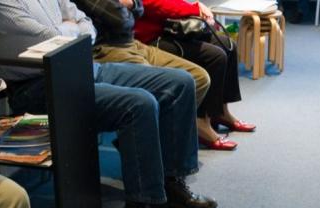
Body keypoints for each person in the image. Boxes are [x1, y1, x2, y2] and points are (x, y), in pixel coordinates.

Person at [0, 0, 219, 208]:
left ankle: (171, 181)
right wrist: (70, 28)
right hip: (37, 87)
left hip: (82, 67)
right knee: (139, 104)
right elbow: (49, 39)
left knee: (181, 83)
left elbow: (86, 26)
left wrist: (69, 28)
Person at [74, 0, 243, 151]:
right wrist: (192, 9)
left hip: (137, 38)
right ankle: (150, 144)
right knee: (210, 59)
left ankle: (211, 115)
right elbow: (126, 17)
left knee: (205, 71)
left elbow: (137, 8)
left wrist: (131, 3)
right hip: (123, 42)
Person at [134, 0, 256, 150]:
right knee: (214, 56)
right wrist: (194, 9)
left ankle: (220, 111)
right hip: (148, 38)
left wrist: (195, 5)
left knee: (228, 46)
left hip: (168, 28)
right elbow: (153, 3)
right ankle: (201, 120)